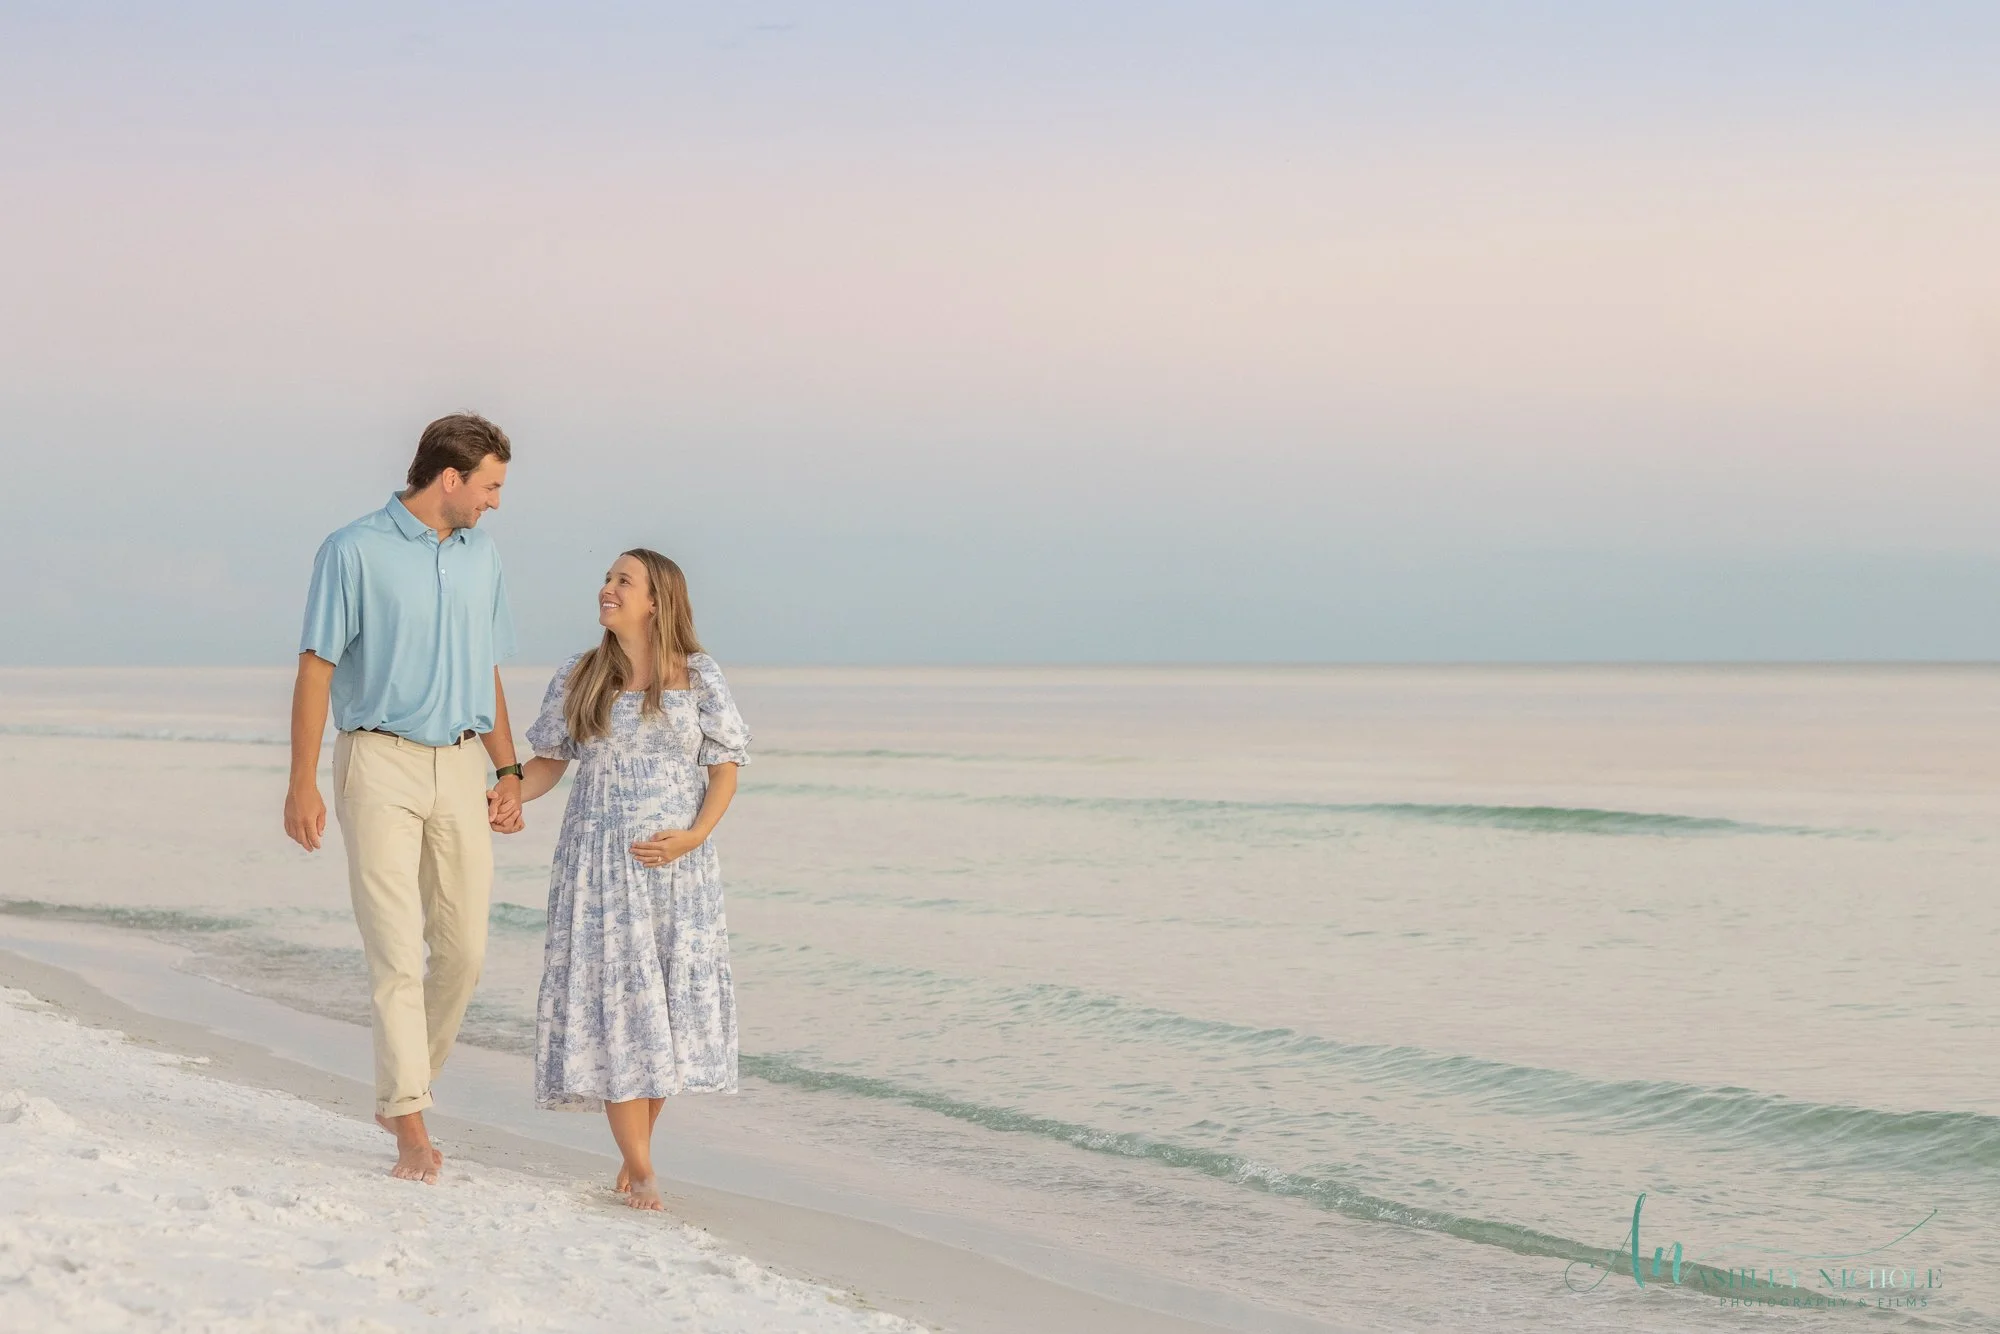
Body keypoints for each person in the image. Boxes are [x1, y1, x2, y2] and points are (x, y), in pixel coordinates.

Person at [282, 413, 526, 1185]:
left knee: (463, 955)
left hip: (460, 766)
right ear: (449, 479)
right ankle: (410, 1126)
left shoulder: (482, 555)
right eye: (489, 486)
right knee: (394, 952)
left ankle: (403, 1092)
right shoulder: (352, 550)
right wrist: (302, 780)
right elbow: (317, 668)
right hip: (377, 762)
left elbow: (485, 667)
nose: (495, 503)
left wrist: (508, 769)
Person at [514, 548, 748, 1211]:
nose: (607, 588)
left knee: (662, 1013)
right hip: (598, 873)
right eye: (608, 578)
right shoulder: (581, 674)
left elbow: (725, 765)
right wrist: (506, 796)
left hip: (678, 871)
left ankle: (635, 1152)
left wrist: (697, 835)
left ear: (656, 600)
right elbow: (548, 761)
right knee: (618, 1010)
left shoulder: (698, 677)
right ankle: (641, 1168)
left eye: (623, 581)